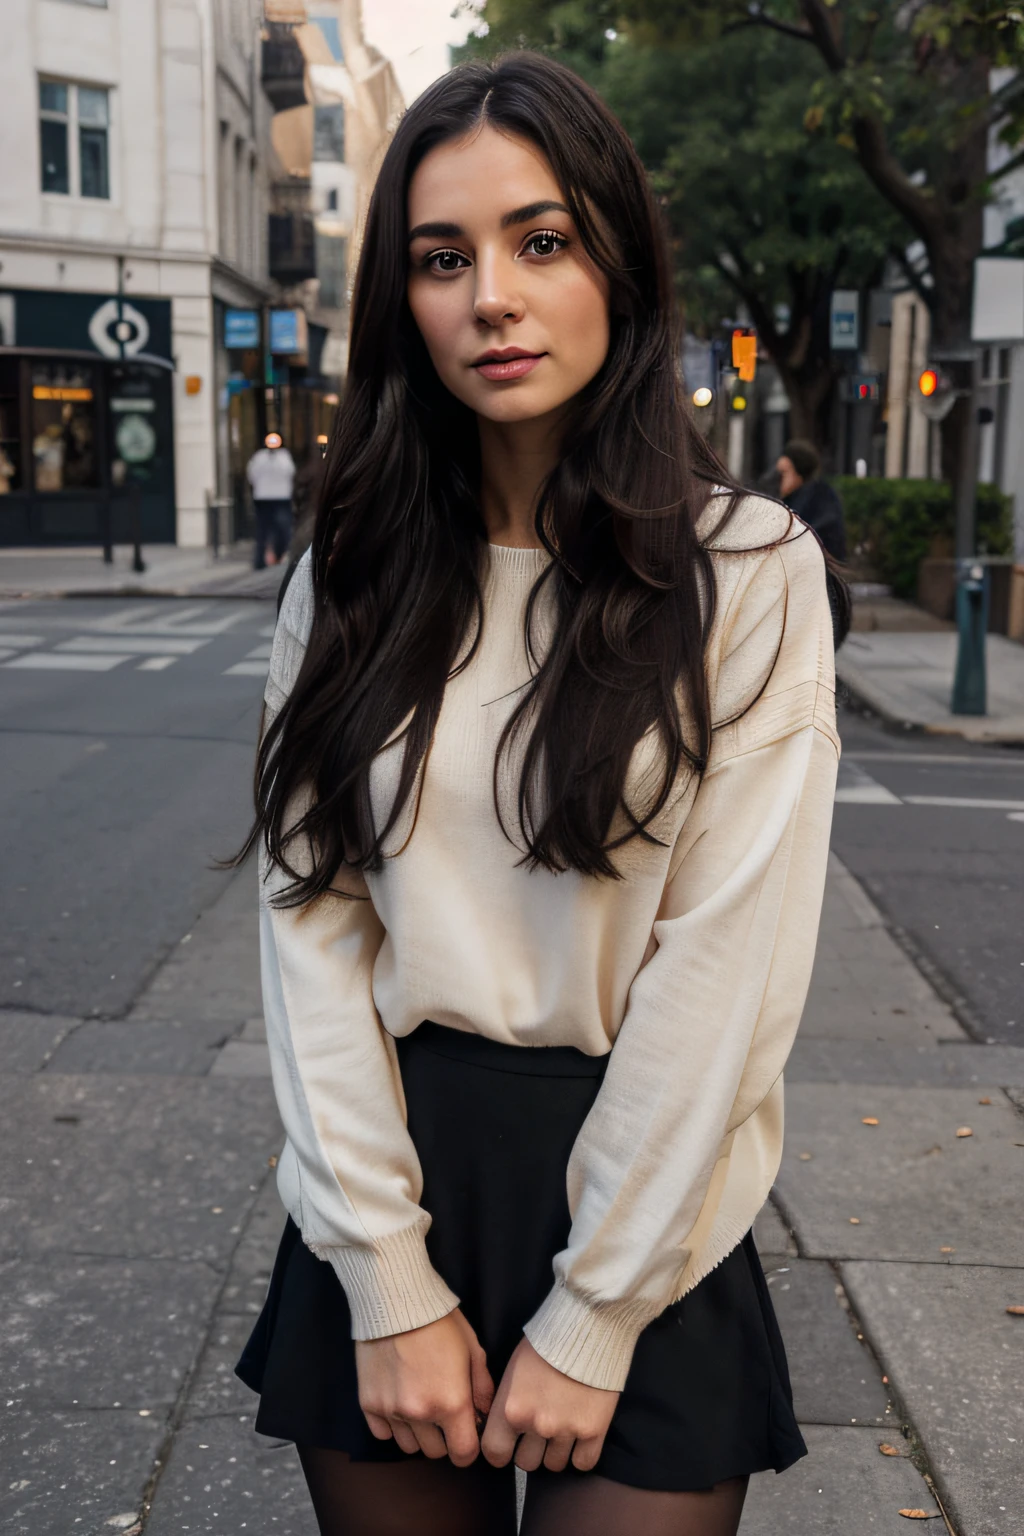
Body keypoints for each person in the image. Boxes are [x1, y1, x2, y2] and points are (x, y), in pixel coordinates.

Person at [234, 53, 840, 1536]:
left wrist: (596, 1313)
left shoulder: (746, 575)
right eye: (443, 259)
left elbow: (727, 972)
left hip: (651, 1183)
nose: (489, 296)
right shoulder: (353, 576)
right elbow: (311, 931)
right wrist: (381, 1274)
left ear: (617, 264)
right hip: (395, 1168)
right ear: (404, 303)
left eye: (541, 239)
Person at [776, 439, 847, 563]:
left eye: (783, 473)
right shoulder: (794, 498)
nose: (778, 480)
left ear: (799, 473)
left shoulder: (819, 499)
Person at [246, 431, 296, 570]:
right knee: (265, 530)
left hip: (278, 498)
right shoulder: (261, 457)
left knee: (279, 530)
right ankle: (261, 559)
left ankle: (275, 555)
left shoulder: (283, 456)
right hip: (266, 498)